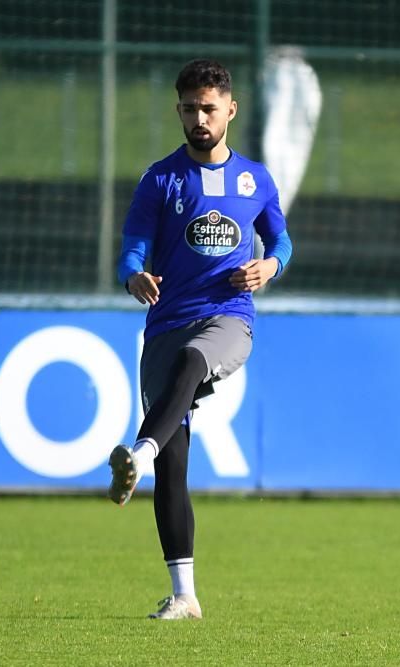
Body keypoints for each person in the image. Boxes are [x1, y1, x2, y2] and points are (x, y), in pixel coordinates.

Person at [108, 59, 293, 620]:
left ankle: (139, 447)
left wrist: (270, 269)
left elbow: (281, 240)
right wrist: (133, 274)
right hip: (166, 323)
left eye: (209, 108)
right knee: (175, 465)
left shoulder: (254, 179)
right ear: (179, 110)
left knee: (194, 361)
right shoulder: (159, 179)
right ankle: (184, 595)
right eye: (190, 109)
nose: (199, 119)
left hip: (228, 318)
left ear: (230, 110)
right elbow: (132, 244)